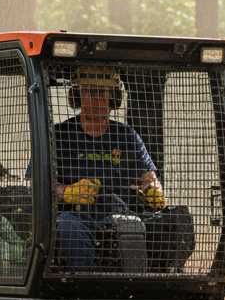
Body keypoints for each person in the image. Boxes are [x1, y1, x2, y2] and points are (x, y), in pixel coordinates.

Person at [53, 67, 165, 268]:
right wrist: (66, 192)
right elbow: (38, 184)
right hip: (76, 214)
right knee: (67, 228)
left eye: (101, 93)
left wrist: (154, 190)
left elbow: (149, 177)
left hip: (121, 211)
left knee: (172, 222)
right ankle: (84, 283)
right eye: (88, 92)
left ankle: (155, 281)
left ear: (114, 98)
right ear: (76, 97)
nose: (95, 100)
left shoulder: (127, 136)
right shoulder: (58, 135)